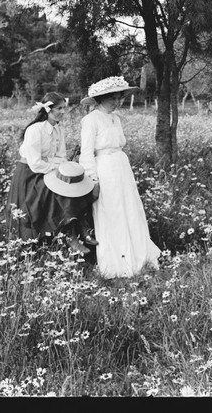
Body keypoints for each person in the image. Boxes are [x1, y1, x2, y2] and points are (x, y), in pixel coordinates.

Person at [79, 76, 161, 278]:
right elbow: (86, 152)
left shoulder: (116, 118)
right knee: (112, 212)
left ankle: (139, 255)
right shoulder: (90, 120)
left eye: (119, 98)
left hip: (121, 168)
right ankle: (117, 263)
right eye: (113, 98)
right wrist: (93, 179)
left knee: (130, 209)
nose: (117, 102)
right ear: (102, 98)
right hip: (104, 169)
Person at [5, 92, 98, 254]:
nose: (63, 112)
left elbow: (61, 157)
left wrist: (64, 170)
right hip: (29, 175)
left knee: (77, 186)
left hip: (48, 171)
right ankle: (69, 234)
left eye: (64, 108)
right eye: (59, 108)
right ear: (48, 109)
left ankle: (82, 226)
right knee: (59, 194)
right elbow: (35, 164)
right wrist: (56, 169)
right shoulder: (35, 130)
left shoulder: (58, 129)